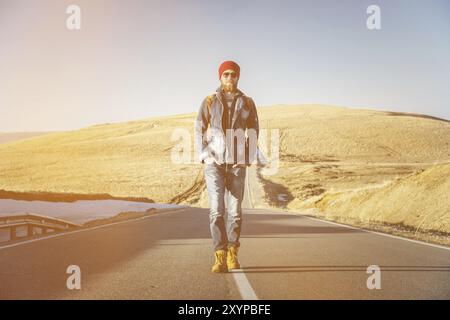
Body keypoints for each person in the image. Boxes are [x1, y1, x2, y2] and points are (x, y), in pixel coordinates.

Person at [195, 60, 259, 273]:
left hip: (237, 164)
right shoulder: (210, 101)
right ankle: (219, 256)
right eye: (226, 74)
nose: (230, 78)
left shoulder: (247, 102)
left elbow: (253, 130)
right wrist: (206, 155)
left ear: (238, 77)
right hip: (215, 163)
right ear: (220, 77)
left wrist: (247, 156)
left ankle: (233, 252)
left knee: (235, 211)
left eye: (233, 74)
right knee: (216, 210)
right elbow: (199, 128)